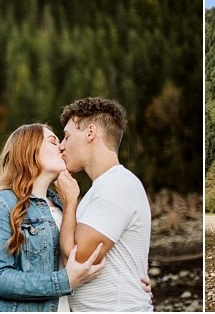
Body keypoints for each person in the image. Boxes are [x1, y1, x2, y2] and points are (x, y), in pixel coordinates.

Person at [0, 123, 105, 312]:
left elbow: (79, 258)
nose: (62, 147)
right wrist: (64, 281)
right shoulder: (1, 204)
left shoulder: (62, 204)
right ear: (29, 151)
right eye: (53, 142)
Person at [54, 97, 154, 311]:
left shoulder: (117, 186)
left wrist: (69, 202)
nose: (61, 146)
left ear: (90, 133)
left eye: (67, 136)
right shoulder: (104, 187)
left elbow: (78, 259)